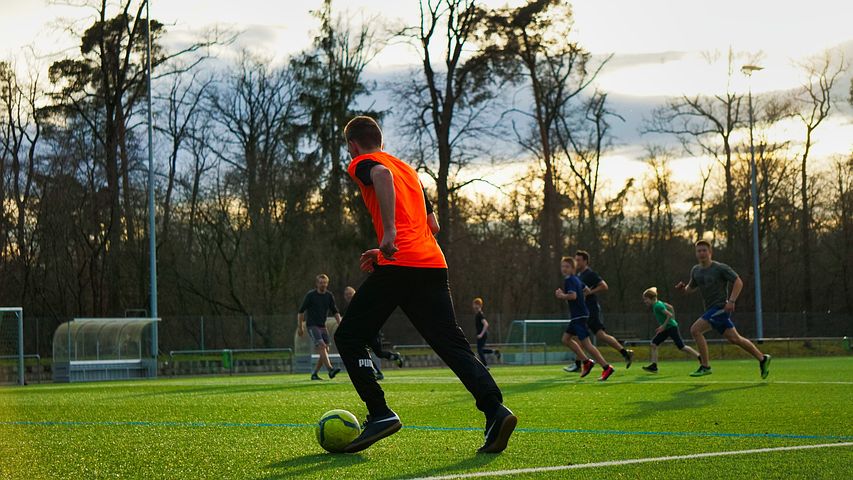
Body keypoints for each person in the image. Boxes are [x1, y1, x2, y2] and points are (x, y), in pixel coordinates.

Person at [334, 116, 516, 454]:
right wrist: (390, 242)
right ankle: (495, 409)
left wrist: (388, 235)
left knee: (349, 336)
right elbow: (430, 224)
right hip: (431, 263)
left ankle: (380, 413)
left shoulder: (364, 162)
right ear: (382, 141)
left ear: (354, 144)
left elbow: (380, 176)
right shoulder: (408, 170)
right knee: (453, 344)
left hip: (400, 265)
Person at [675, 240, 771, 378]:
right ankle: (763, 359)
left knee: (695, 330)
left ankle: (705, 366)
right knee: (735, 339)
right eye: (699, 251)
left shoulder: (720, 268)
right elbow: (690, 289)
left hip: (720, 308)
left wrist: (731, 301)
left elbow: (738, 281)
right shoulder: (695, 270)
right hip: (710, 309)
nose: (701, 253)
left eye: (704, 250)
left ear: (710, 252)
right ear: (696, 253)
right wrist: (682, 289)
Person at [565, 250, 633, 373]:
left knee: (588, 336)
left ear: (585, 261)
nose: (576, 262)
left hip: (591, 309)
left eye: (579, 260)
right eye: (575, 260)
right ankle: (624, 353)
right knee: (590, 336)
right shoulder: (578, 276)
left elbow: (604, 286)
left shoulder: (590, 274)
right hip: (583, 310)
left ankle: (581, 364)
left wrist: (590, 292)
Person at [556, 256, 615, 381]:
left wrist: (562, 296)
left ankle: (606, 367)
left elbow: (573, 296)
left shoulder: (570, 280)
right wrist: (581, 302)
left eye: (567, 267)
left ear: (573, 268)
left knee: (587, 345)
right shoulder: (576, 279)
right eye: (563, 266)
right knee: (566, 339)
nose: (564, 269)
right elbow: (586, 289)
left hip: (579, 316)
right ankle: (586, 361)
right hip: (580, 315)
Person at [344, 285, 404, 381]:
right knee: (363, 353)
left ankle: (395, 357)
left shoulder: (362, 303)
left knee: (379, 353)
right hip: (362, 334)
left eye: (350, 294)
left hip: (372, 331)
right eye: (346, 295)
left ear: (355, 294)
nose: (348, 296)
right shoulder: (349, 308)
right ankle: (377, 372)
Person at [640, 287, 702, 373]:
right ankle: (654, 366)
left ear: (652, 299)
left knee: (681, 347)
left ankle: (699, 356)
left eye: (646, 299)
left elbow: (669, 314)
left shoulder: (658, 306)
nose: (645, 301)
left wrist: (664, 326)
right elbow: (671, 307)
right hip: (667, 328)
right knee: (654, 344)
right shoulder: (658, 303)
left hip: (671, 328)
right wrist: (671, 322)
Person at [297, 274, 343, 381]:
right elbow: (301, 312)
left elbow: (335, 311)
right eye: (321, 282)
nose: (323, 285)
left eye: (325, 283)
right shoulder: (311, 295)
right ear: (317, 283)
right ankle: (330, 369)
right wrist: (300, 327)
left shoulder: (329, 296)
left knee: (325, 349)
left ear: (327, 283)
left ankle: (315, 374)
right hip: (312, 325)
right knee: (322, 346)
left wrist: (340, 324)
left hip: (322, 326)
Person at [473, 298, 501, 368]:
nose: (473, 306)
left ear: (479, 305)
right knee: (481, 350)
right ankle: (494, 351)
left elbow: (486, 324)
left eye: (475, 304)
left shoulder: (480, 314)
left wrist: (481, 334)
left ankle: (485, 365)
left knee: (480, 350)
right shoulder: (478, 314)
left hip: (482, 335)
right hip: (481, 335)